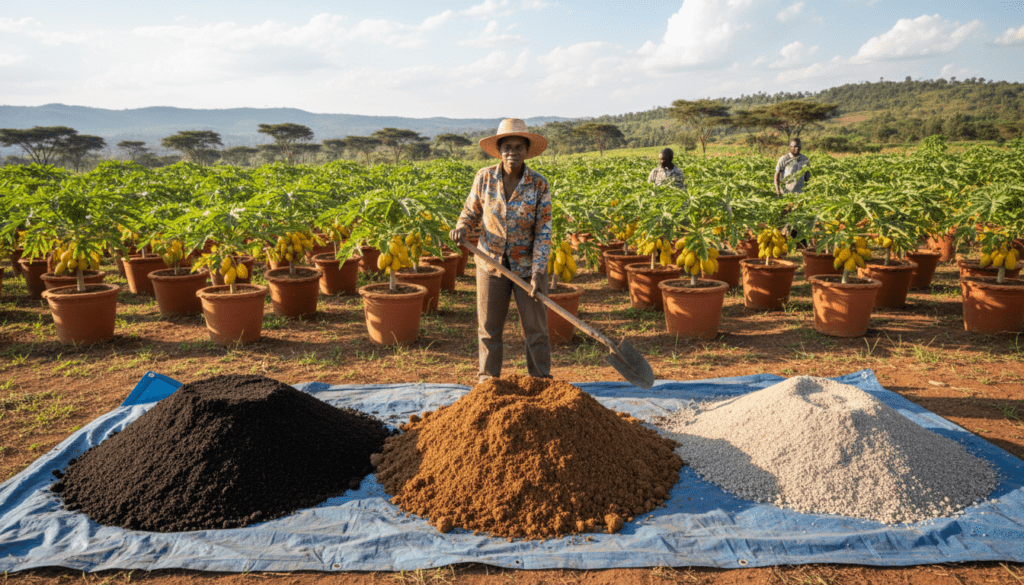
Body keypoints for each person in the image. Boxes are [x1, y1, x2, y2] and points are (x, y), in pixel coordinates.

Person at [449, 118, 552, 384]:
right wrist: (461, 228)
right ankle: (488, 382)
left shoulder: (539, 184)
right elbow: (470, 212)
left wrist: (538, 271)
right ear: (499, 151)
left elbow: (544, 231)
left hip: (527, 267)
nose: (512, 152)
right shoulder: (484, 178)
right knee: (488, 329)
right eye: (507, 147)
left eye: (518, 147)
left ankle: (541, 382)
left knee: (536, 329)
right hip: (490, 263)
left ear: (526, 151)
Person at [774, 138, 811, 244]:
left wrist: (807, 178)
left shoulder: (805, 159)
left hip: (799, 194)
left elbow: (807, 176)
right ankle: (782, 241)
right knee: (785, 217)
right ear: (789, 147)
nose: (796, 148)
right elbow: (776, 175)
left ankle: (797, 241)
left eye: (798, 146)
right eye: (793, 146)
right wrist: (777, 189)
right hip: (786, 194)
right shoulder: (784, 159)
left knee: (798, 218)